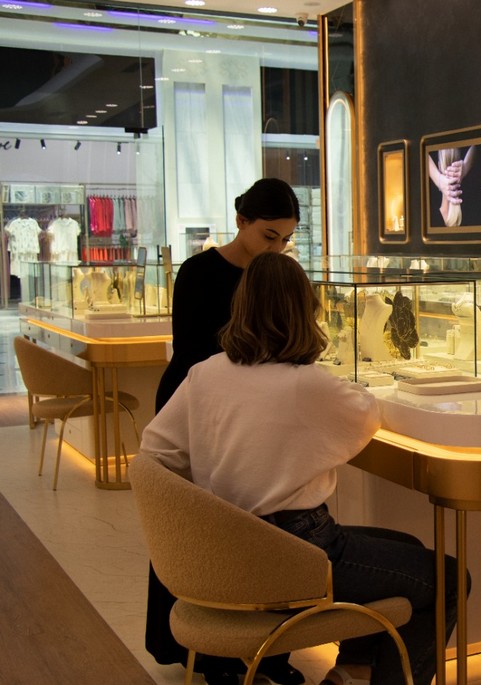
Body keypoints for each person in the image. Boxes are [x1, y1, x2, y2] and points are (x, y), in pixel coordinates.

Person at [141, 252, 465, 685]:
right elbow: (366, 414)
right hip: (298, 553)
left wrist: (216, 502)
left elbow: (155, 451)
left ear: (241, 306)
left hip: (226, 552)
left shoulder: (205, 374)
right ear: (305, 310)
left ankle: (351, 671)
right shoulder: (305, 384)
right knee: (449, 578)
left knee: (402, 545)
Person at [146, 178, 303, 685]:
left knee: (256, 530)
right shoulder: (198, 273)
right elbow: (193, 352)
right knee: (201, 529)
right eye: (268, 236)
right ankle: (209, 651)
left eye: (285, 240)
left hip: (248, 409)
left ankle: (266, 650)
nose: (276, 248)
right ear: (241, 222)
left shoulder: (276, 275)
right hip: (195, 405)